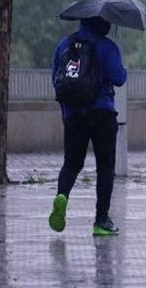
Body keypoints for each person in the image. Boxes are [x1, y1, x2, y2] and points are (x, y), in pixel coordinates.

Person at [49, 16, 127, 236]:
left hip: (73, 114)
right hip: (102, 112)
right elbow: (119, 78)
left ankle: (62, 195)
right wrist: (123, 69)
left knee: (71, 164)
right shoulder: (107, 46)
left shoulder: (64, 44)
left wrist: (67, 110)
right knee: (105, 167)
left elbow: (55, 77)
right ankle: (101, 221)